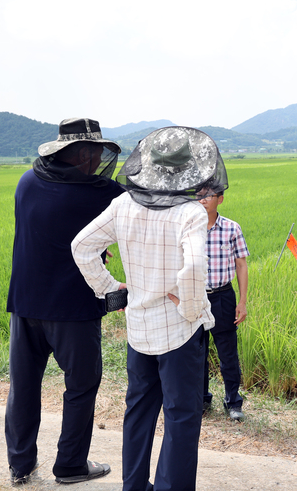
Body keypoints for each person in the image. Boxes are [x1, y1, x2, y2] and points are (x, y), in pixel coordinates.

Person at [71, 126, 228, 491]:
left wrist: (112, 291)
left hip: (138, 328)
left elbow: (82, 247)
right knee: (181, 417)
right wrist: (191, 309)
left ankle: (134, 486)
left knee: (138, 413)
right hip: (178, 332)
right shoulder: (190, 213)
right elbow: (193, 269)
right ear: (188, 170)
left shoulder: (122, 204)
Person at [5, 117, 122, 485]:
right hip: (73, 308)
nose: (98, 160)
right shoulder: (101, 192)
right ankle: (70, 465)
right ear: (84, 153)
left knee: (23, 386)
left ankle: (20, 465)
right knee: (81, 386)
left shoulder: (27, 181)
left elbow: (47, 231)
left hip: (25, 304)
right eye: (95, 153)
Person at [199, 190, 249, 421]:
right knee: (195, 351)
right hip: (195, 297)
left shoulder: (231, 228)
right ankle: (200, 399)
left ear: (220, 199)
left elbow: (241, 265)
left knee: (228, 353)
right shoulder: (188, 227)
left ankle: (233, 402)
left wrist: (242, 301)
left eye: (208, 195)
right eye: (198, 195)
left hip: (222, 297)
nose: (203, 199)